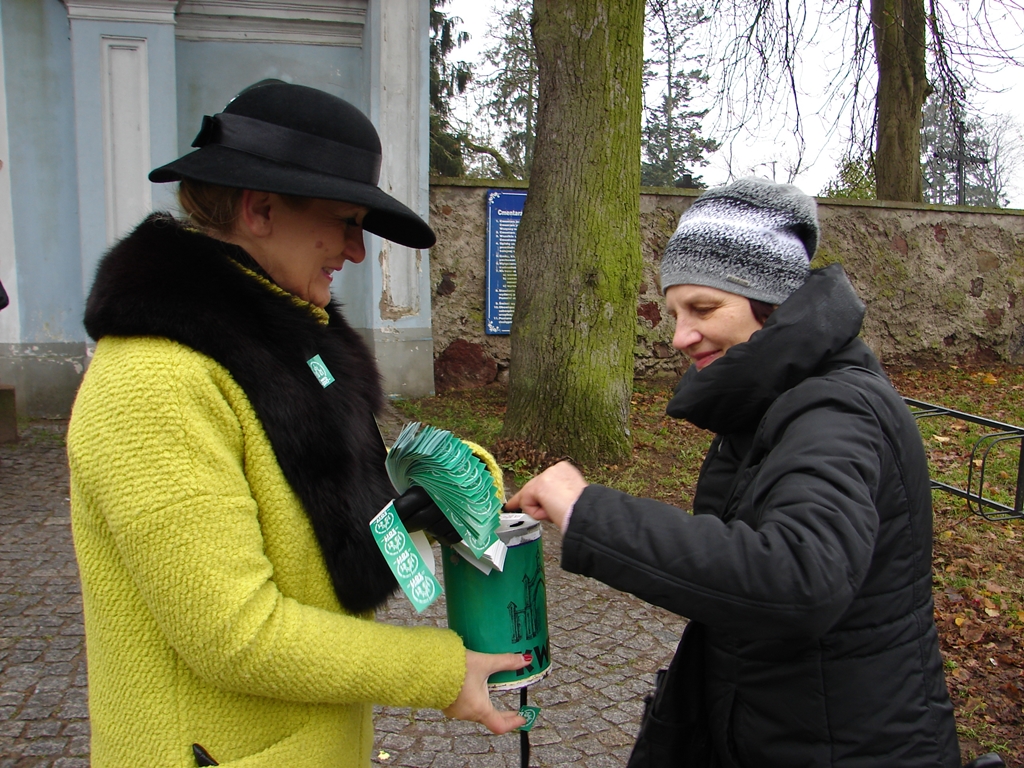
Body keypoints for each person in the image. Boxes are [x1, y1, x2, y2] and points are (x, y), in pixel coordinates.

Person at [67, 81, 527, 768]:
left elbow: (341, 520)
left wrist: (454, 480)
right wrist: (440, 671)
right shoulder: (156, 381)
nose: (356, 250)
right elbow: (238, 635)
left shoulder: (291, 350)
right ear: (259, 208)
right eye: (345, 221)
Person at [507, 178, 960, 767]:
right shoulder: (774, 404)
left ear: (772, 304)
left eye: (703, 308)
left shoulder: (833, 409)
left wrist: (587, 511)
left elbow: (798, 577)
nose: (679, 336)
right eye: (673, 312)